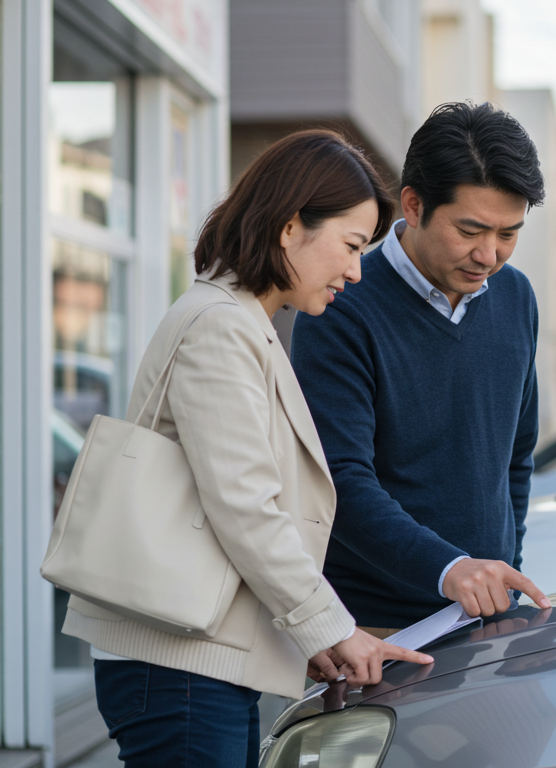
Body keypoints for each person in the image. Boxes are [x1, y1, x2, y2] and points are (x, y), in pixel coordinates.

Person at [61, 130, 433, 768]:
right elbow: (244, 506)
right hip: (174, 664)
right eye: (349, 245)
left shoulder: (240, 320)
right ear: (291, 228)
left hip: (188, 657)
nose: (355, 269)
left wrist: (313, 639)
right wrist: (334, 628)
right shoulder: (221, 327)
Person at [292, 102, 551, 634]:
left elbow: (515, 459)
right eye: (471, 230)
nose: (489, 255)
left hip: (490, 617)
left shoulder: (517, 297)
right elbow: (339, 478)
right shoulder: (341, 302)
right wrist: (449, 568)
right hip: (376, 631)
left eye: (508, 233)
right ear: (413, 204)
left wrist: (505, 569)